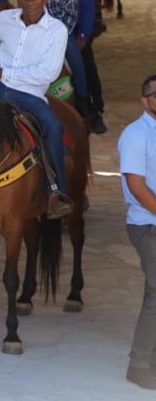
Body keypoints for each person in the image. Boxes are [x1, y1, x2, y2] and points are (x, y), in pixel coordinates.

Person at [0, 0, 73, 219]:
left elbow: (48, 72)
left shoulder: (56, 30)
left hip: (30, 95)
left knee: (52, 128)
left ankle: (56, 191)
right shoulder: (5, 19)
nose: (30, 2)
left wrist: (4, 73)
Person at [118, 74, 156, 390]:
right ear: (145, 100)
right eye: (155, 93)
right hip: (146, 226)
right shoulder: (136, 134)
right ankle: (139, 365)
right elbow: (136, 185)